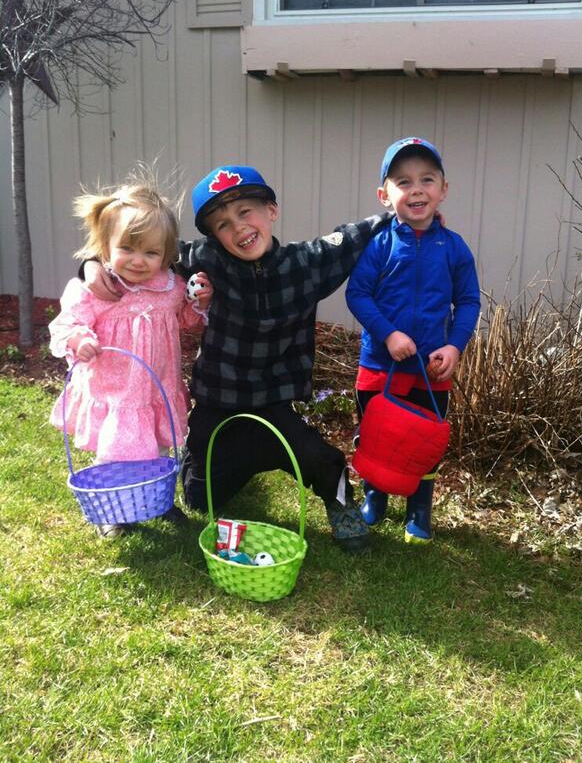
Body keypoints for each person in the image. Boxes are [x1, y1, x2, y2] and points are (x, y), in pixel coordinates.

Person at [83, 165, 392, 552]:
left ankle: (340, 506)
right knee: (199, 498)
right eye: (223, 223)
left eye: (246, 212)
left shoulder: (307, 264)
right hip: (218, 404)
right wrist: (92, 264)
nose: (239, 228)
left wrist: (405, 213)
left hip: (274, 403)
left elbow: (354, 236)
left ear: (271, 210)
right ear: (212, 236)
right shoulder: (203, 260)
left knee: (319, 457)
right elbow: (140, 244)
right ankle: (245, 454)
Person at [50, 170, 213, 538]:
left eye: (151, 252)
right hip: (116, 389)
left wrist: (196, 302)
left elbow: (184, 319)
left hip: (155, 386)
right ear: (105, 246)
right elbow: (66, 322)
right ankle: (114, 507)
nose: (138, 261)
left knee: (153, 445)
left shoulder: (169, 287)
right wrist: (78, 339)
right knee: (116, 449)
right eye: (127, 249)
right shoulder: (96, 289)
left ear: (166, 254)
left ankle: (156, 499)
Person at [345, 137, 481, 543]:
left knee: (422, 442)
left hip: (432, 369)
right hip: (379, 365)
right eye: (403, 182)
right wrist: (388, 334)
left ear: (443, 190)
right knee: (377, 434)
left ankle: (419, 510)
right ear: (385, 195)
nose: (416, 189)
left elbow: (469, 300)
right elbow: (358, 294)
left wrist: (454, 345)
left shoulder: (454, 248)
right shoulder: (380, 245)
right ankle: (375, 498)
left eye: (427, 179)